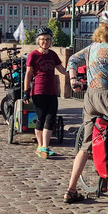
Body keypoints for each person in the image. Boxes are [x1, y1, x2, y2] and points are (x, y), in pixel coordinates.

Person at [63, 10, 108, 203]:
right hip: (107, 95)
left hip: (89, 98)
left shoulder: (92, 47)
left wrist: (74, 78)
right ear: (106, 28)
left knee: (85, 145)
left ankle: (71, 189)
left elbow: (72, 60)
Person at [23, 27, 67, 159]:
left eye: (47, 39)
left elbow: (62, 70)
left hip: (52, 90)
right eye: (42, 39)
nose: (45, 42)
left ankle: (45, 147)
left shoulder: (53, 54)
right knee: (41, 118)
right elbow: (28, 74)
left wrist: (73, 75)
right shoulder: (33, 55)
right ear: (38, 41)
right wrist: (26, 91)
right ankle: (40, 146)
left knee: (51, 118)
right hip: (38, 90)